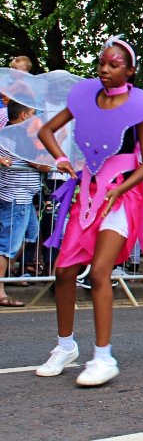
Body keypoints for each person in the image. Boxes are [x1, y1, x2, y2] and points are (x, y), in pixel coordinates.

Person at [34, 36, 143, 386]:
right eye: (102, 62)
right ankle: (65, 346)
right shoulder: (84, 98)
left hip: (120, 197)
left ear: (130, 71)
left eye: (114, 64)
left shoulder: (140, 108)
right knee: (63, 271)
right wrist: (60, 157)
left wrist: (120, 187)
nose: (105, 68)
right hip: (86, 194)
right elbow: (46, 130)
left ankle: (103, 357)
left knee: (100, 272)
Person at [0, 100, 49, 307]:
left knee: (31, 232)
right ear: (24, 116)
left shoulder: (11, 134)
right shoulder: (18, 136)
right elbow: (44, 165)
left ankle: (8, 273)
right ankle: (0, 290)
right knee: (8, 244)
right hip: (15, 197)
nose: (36, 117)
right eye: (33, 113)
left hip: (24, 198)